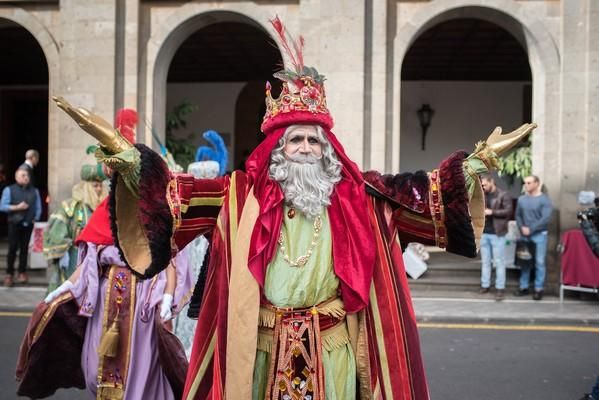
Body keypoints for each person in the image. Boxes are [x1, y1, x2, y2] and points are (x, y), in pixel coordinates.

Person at [50, 17, 535, 400]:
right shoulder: (238, 196)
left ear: (327, 148)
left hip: (335, 351)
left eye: (313, 140)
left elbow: (420, 194)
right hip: (259, 351)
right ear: (278, 149)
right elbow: (174, 196)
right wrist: (132, 161)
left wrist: (474, 164)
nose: (304, 147)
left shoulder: (360, 195)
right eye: (295, 139)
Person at [16, 109, 194, 400]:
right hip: (106, 298)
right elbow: (89, 261)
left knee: (142, 371)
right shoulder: (105, 211)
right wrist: (63, 289)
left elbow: (170, 260)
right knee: (97, 367)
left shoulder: (159, 214)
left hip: (143, 302)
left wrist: (166, 297)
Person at [43, 158, 109, 292]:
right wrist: (62, 252)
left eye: (101, 186)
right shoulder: (71, 207)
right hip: (75, 257)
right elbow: (57, 230)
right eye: (95, 185)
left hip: (100, 258)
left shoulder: (106, 208)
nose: (98, 189)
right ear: (86, 187)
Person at [0, 167, 42, 286]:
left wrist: (36, 218)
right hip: (14, 223)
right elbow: (2, 206)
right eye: (23, 175)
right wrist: (17, 207)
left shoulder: (35, 190)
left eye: (27, 175)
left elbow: (38, 206)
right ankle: (9, 274)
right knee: (12, 249)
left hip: (28, 224)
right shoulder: (9, 189)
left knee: (24, 249)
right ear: (16, 177)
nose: (26, 177)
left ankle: (22, 272)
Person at [514, 174, 553, 300]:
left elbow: (545, 218)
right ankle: (523, 287)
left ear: (537, 183)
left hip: (539, 235)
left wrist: (530, 229)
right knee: (525, 261)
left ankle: (538, 289)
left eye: (529, 183)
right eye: (525, 183)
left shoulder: (544, 200)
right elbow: (518, 215)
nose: (526, 185)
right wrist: (522, 228)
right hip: (524, 235)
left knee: (539, 262)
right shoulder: (521, 199)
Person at [479, 175, 512, 300]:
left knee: (499, 262)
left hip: (498, 233)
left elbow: (508, 211)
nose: (483, 187)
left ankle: (500, 288)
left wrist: (492, 212)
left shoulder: (503, 195)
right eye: (482, 185)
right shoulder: (482, 195)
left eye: (485, 184)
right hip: (483, 233)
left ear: (492, 182)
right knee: (485, 261)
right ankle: (485, 285)